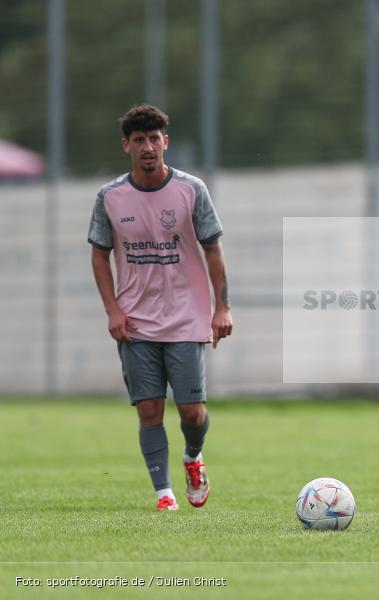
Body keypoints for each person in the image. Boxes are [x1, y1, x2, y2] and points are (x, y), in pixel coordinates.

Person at [88, 104, 233, 511]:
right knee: (149, 408)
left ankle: (192, 456)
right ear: (126, 146)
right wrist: (112, 311)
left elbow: (213, 250)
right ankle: (164, 494)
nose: (148, 147)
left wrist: (222, 308)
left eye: (154, 139)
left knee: (191, 411)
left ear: (165, 142)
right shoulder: (110, 197)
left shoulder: (191, 190)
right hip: (135, 322)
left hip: (186, 318)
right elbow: (99, 255)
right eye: (139, 140)